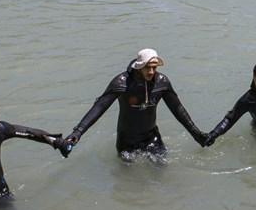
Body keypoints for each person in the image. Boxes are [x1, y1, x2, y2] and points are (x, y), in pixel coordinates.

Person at [57, 49, 208, 160]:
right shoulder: (121, 83)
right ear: (139, 66)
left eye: (154, 68)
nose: (151, 72)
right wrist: (78, 132)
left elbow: (178, 109)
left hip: (151, 137)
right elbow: (100, 107)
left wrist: (196, 134)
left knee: (160, 170)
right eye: (147, 67)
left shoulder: (161, 83)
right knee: (127, 180)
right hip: (126, 140)